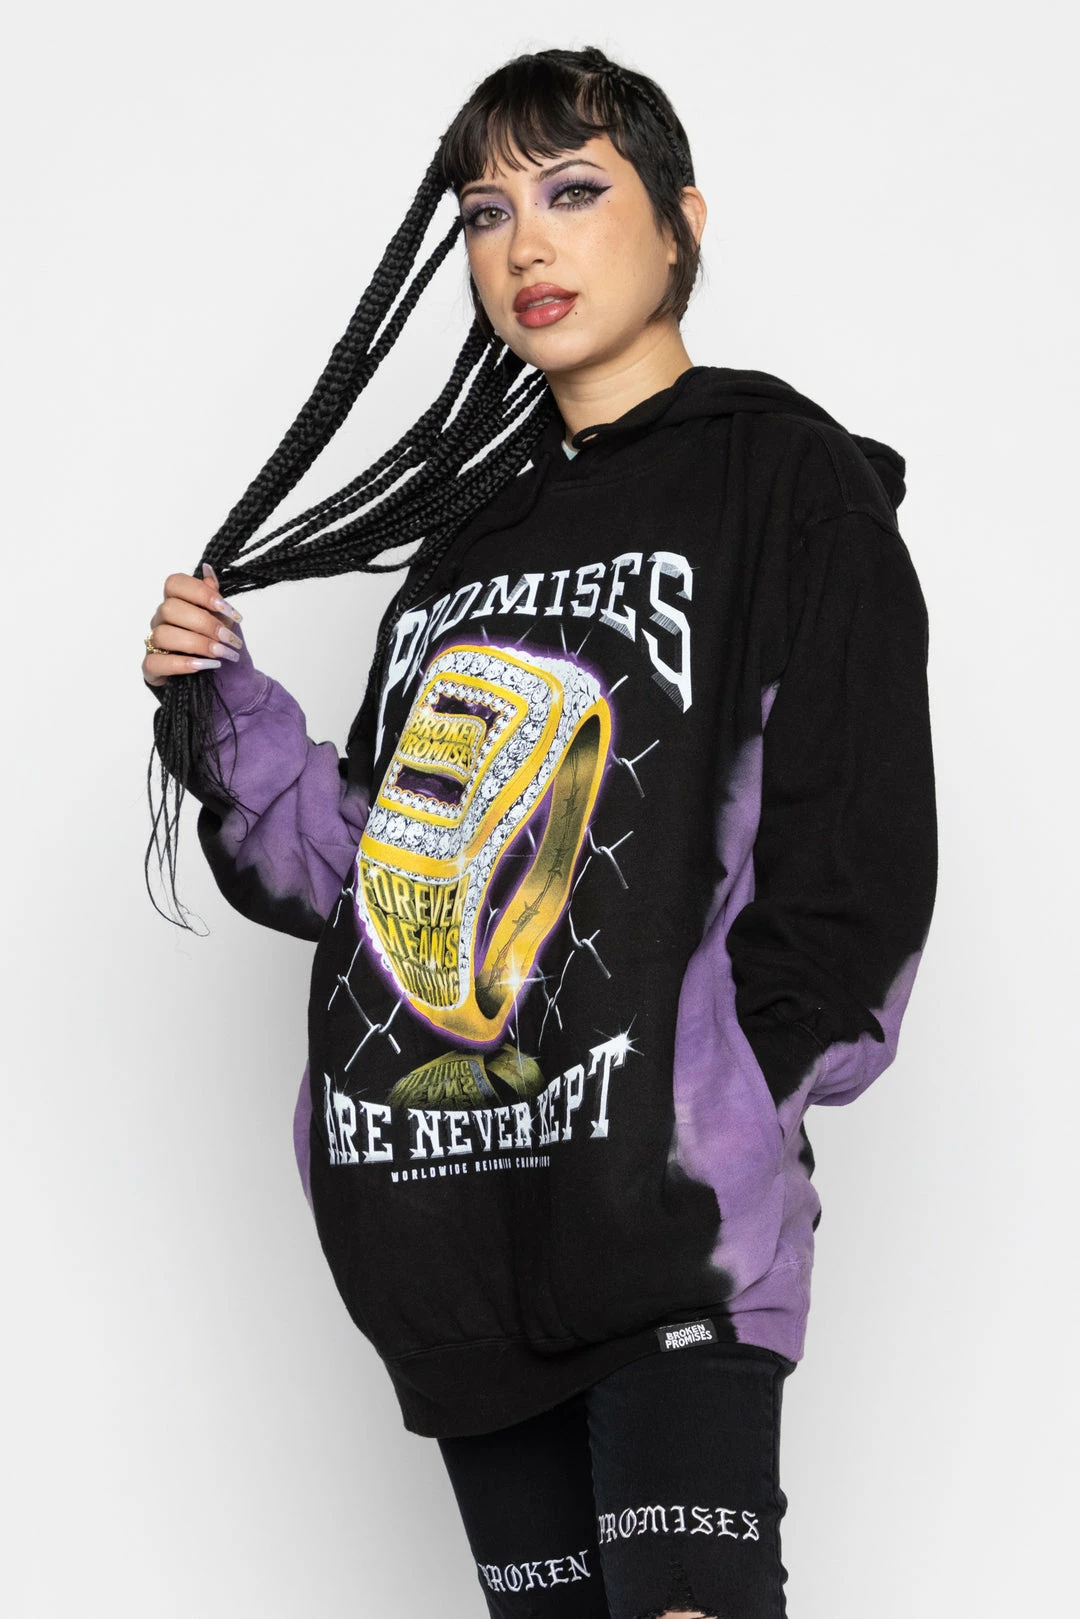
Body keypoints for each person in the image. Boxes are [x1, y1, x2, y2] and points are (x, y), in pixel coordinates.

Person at [141, 46, 937, 1619]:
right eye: (488, 213)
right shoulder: (464, 543)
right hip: (454, 1220)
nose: (527, 245)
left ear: (682, 220)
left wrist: (722, 1098)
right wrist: (220, 705)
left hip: (671, 1223)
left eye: (574, 191)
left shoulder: (787, 481)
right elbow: (369, 870)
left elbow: (857, 851)